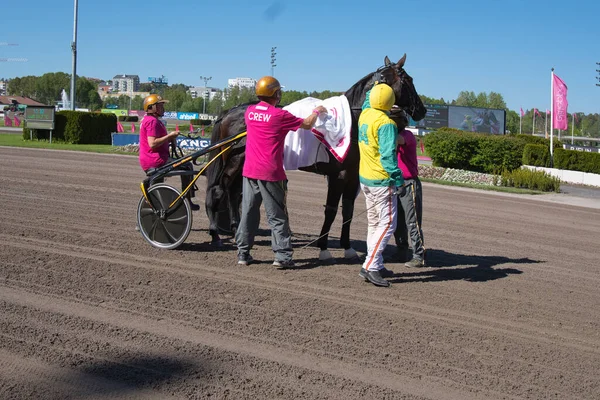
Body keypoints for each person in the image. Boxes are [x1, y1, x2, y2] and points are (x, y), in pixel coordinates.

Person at [235, 76, 327, 268]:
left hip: (249, 171)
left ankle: (243, 253)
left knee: (248, 213)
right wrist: (317, 111)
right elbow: (308, 124)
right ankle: (283, 256)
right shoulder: (279, 115)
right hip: (271, 173)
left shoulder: (250, 112)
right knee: (277, 216)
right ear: (276, 93)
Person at [357, 83, 403, 287]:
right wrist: (398, 178)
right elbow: (388, 157)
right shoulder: (387, 123)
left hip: (365, 179)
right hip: (382, 181)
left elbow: (368, 100)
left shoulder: (365, 114)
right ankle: (371, 266)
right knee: (387, 225)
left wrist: (375, 85)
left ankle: (375, 261)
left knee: (374, 224)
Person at [138, 94, 199, 211]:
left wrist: (170, 138)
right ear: (152, 108)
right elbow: (152, 143)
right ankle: (188, 200)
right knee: (187, 166)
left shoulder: (151, 120)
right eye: (160, 106)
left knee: (156, 191)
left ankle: (147, 213)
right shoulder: (152, 122)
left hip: (152, 159)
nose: (163, 108)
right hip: (156, 160)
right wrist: (170, 136)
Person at [394, 128, 426, 268]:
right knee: (398, 221)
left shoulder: (407, 135)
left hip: (409, 184)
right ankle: (402, 251)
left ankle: (419, 256)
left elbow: (397, 140)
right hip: (396, 183)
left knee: (412, 221)